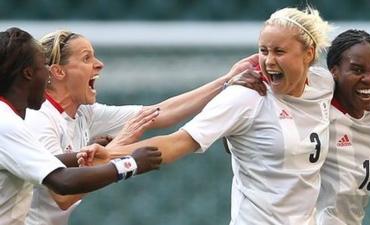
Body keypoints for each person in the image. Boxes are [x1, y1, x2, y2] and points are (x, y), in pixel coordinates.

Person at [99, 7, 335, 224]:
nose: (269, 60)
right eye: (263, 51)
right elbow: (178, 142)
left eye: (279, 51)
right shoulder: (247, 96)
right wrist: (111, 155)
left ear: (308, 53)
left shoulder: (324, 84)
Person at [23, 31, 261, 225]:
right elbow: (62, 196)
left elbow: (158, 113)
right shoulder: (40, 120)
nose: (99, 64)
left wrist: (226, 81)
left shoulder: (83, 112)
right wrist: (119, 149)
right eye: (86, 58)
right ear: (58, 71)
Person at [0, 27, 162, 225]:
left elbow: (44, 160)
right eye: (43, 66)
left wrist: (84, 155)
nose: (48, 74)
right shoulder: (6, 124)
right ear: (28, 74)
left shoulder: (7, 120)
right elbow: (62, 182)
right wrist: (130, 164)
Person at [315, 29, 370, 225]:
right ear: (333, 71)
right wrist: (228, 80)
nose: (369, 79)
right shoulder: (314, 104)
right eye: (357, 70)